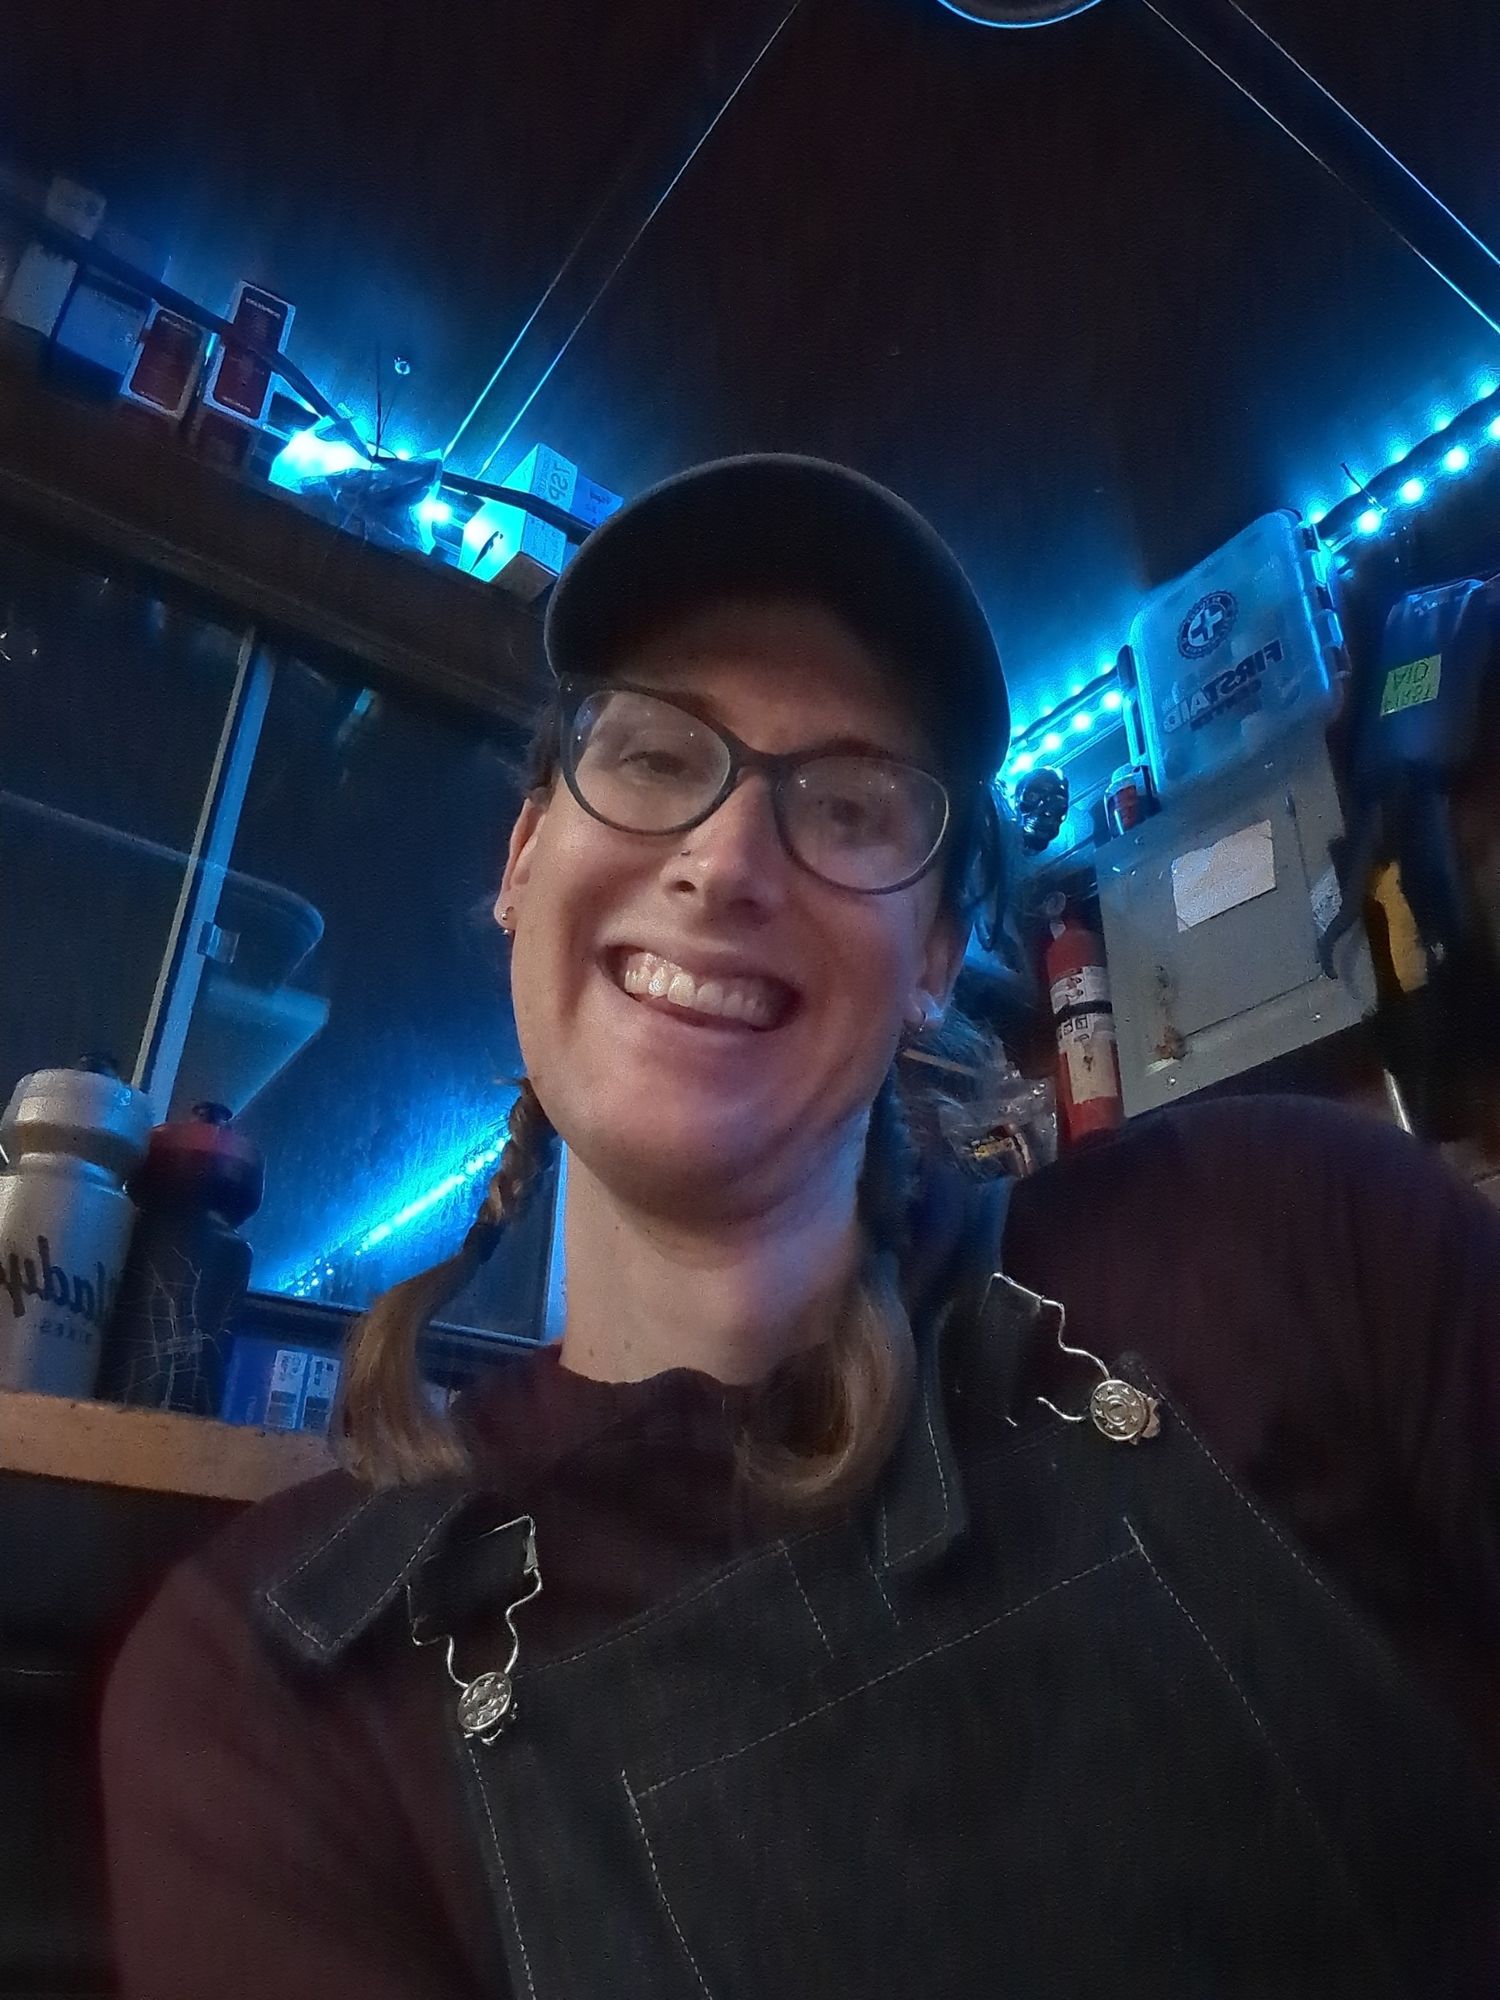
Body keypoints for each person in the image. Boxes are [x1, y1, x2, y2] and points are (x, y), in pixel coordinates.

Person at [101, 456, 1498, 2000]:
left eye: (845, 804)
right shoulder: (275, 1697)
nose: (725, 860)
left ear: (935, 954)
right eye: (644, 757)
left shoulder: (1302, 1238)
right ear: (523, 862)